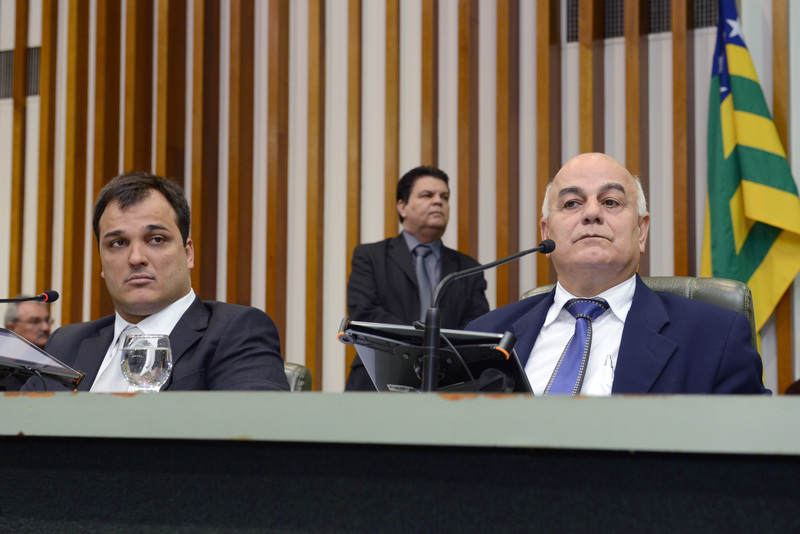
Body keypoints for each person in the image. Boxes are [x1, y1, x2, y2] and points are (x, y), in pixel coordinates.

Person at [467, 153, 769, 395]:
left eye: (610, 202)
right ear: (546, 233)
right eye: (571, 203)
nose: (591, 213)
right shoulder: (484, 336)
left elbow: (749, 447)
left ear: (641, 231)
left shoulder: (714, 337)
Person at [22, 172, 289, 392]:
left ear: (188, 253)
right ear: (102, 263)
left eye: (156, 240)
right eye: (118, 243)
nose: (136, 258)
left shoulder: (236, 331)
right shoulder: (67, 344)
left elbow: (254, 431)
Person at [345, 166, 490, 390]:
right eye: (427, 195)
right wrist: (422, 343)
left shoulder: (468, 268)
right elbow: (365, 313)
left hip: (450, 383)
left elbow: (478, 328)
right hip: (378, 375)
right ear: (402, 207)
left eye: (444, 197)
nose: (438, 202)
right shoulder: (370, 257)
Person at [1, 299, 52, 390]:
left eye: (47, 320)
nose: (46, 327)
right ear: (11, 328)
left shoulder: (56, 362)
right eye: (35, 321)